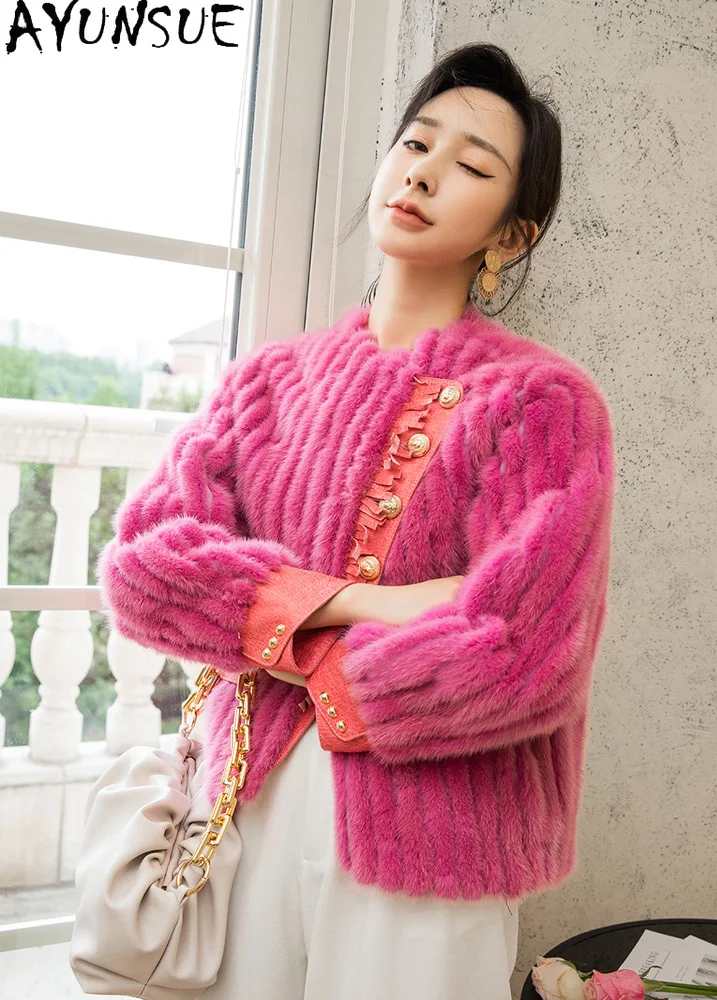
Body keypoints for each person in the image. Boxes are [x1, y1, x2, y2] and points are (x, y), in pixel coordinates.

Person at [98, 41, 616, 1000]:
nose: (424, 171)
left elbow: (528, 648)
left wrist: (277, 640)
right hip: (243, 810)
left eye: (472, 166)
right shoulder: (268, 381)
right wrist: (368, 603)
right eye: (416, 143)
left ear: (511, 237)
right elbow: (143, 568)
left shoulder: (540, 402)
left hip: (434, 840)